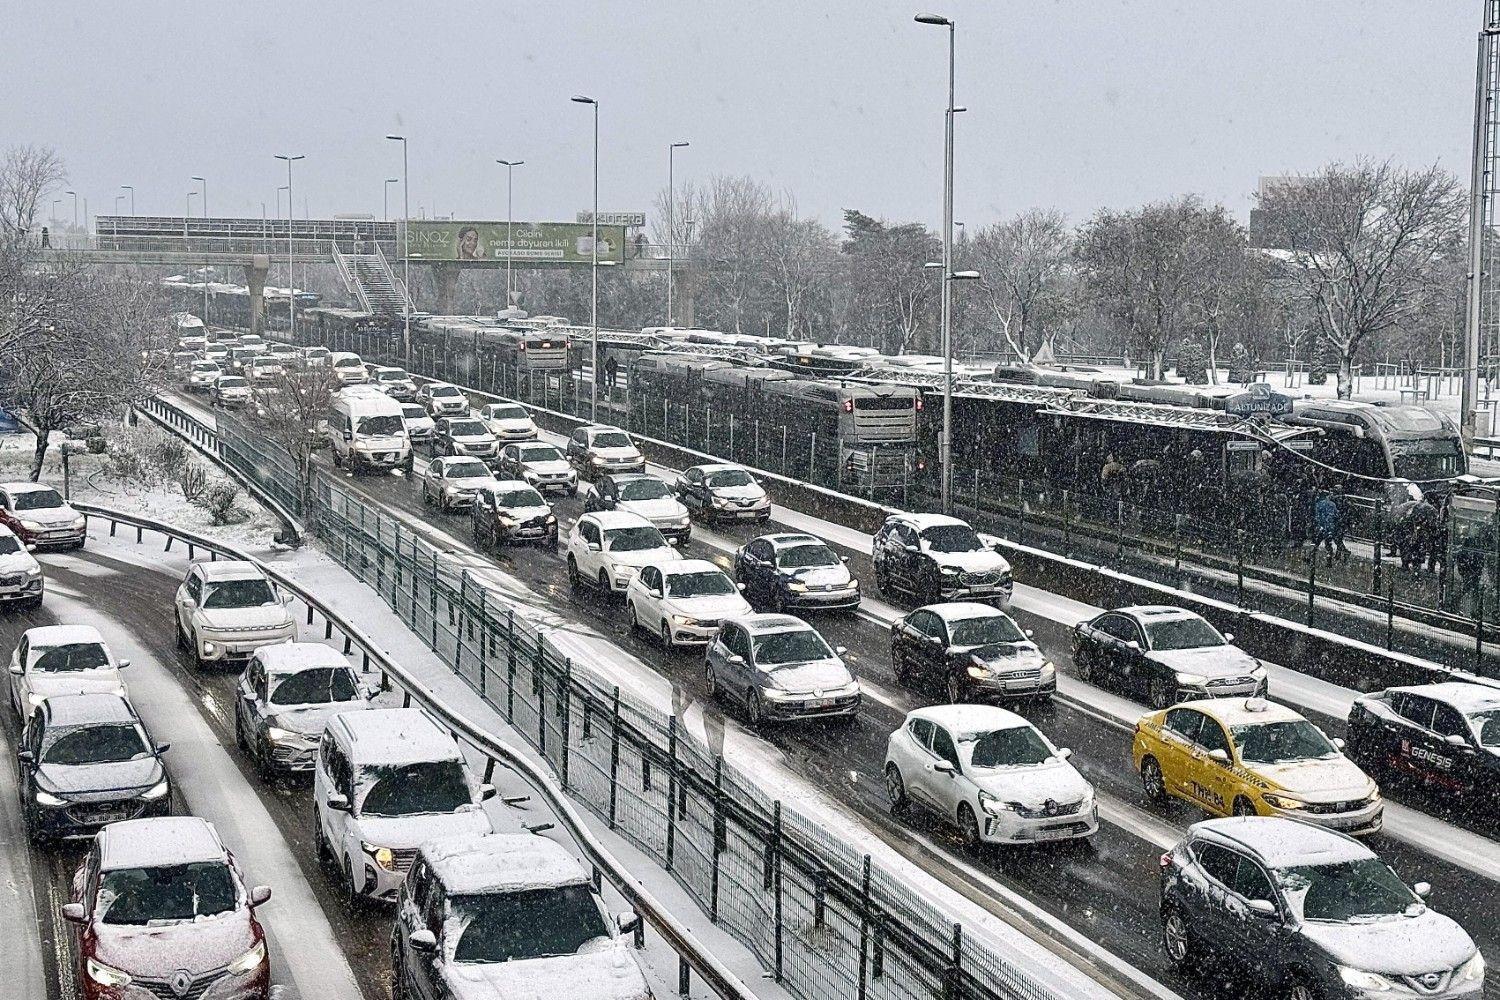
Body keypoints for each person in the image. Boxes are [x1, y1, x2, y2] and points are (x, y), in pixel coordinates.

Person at [1313, 491, 1339, 566]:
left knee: (1316, 542)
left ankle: (1312, 557)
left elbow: (1317, 516)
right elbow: (1336, 515)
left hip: (1321, 527)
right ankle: (1329, 560)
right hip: (1330, 527)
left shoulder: (1319, 505)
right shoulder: (1332, 504)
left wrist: (1319, 525)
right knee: (1328, 544)